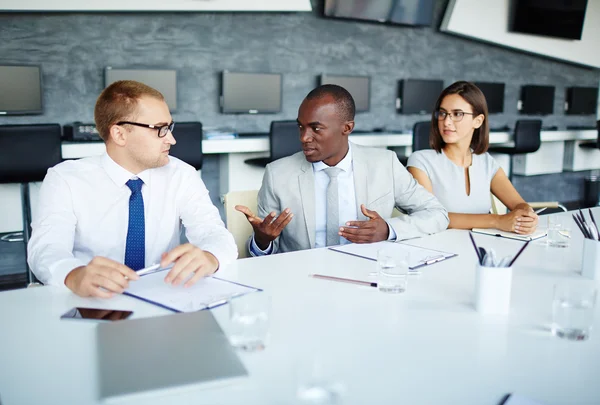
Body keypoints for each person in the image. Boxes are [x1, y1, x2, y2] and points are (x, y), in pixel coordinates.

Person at [28, 80, 237, 298]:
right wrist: (73, 274)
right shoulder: (65, 179)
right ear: (119, 134)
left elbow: (214, 233)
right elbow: (46, 248)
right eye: (160, 129)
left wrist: (211, 256)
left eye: (170, 127)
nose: (172, 139)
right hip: (94, 300)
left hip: (163, 296)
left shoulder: (182, 175)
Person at [235, 84, 449, 256]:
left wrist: (388, 230)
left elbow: (437, 214)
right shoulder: (277, 175)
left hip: (366, 275)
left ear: (346, 128)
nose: (304, 138)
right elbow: (261, 256)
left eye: (316, 128)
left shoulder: (385, 164)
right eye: (301, 127)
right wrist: (262, 241)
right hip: (304, 280)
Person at [406, 81, 538, 234]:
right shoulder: (420, 161)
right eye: (442, 113)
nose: (446, 122)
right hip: (441, 249)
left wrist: (527, 214)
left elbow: (519, 204)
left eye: (457, 114)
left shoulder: (487, 162)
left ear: (478, 121)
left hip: (483, 246)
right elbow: (431, 216)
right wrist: (497, 220)